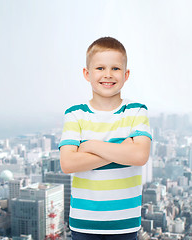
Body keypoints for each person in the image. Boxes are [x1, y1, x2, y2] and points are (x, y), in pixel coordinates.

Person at [59, 37, 152, 240]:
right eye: (100, 68)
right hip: (84, 223)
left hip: (125, 224)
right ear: (87, 73)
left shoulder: (136, 111)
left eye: (115, 69)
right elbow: (67, 163)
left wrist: (90, 146)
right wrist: (123, 148)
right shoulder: (75, 114)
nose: (108, 75)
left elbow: (140, 156)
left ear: (126, 74)